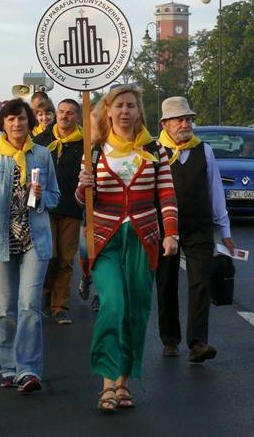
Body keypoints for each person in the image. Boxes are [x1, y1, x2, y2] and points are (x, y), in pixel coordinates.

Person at [76, 84, 178, 413]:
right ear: (107, 110)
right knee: (113, 305)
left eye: (131, 106)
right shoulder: (94, 150)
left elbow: (166, 194)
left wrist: (170, 234)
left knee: (136, 310)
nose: (124, 111)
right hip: (104, 239)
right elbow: (83, 200)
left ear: (138, 112)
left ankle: (124, 382)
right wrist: (83, 187)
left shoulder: (154, 149)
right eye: (119, 105)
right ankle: (106, 383)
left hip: (143, 238)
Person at [0, 98, 59, 394]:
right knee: (6, 309)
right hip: (0, 239)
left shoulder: (41, 154)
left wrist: (40, 195)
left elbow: (55, 196)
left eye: (22, 119)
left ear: (30, 123)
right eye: (11, 119)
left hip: (34, 239)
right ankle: (9, 367)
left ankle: (28, 369)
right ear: (2, 123)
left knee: (29, 306)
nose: (17, 124)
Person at [156, 96, 235, 362]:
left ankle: (198, 341)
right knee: (166, 283)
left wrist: (225, 231)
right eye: (180, 119)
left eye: (189, 119)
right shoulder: (154, 151)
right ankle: (169, 339)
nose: (186, 124)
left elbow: (216, 191)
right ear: (165, 123)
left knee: (201, 281)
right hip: (164, 228)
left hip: (199, 225)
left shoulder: (205, 150)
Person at [34, 98, 84, 325]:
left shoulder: (85, 143)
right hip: (45, 207)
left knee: (66, 258)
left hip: (71, 209)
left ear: (77, 117)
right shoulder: (42, 140)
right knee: (48, 256)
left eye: (70, 113)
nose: (65, 116)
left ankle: (60, 305)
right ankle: (44, 296)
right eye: (61, 111)